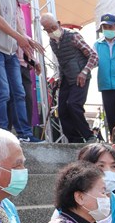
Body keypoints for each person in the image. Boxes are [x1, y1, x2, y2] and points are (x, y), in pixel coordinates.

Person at [0, 0, 43, 142]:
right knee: (2, 92)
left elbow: (13, 21)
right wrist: (19, 38)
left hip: (10, 50)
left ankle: (25, 134)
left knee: (19, 92)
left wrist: (25, 38)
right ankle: (1, 135)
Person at [41, 13, 98, 143]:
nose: (51, 31)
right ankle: (75, 140)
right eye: (48, 30)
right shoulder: (52, 42)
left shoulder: (73, 36)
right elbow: (62, 63)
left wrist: (84, 72)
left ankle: (90, 136)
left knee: (73, 104)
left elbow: (94, 56)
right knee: (62, 110)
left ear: (59, 24)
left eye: (53, 27)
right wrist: (59, 80)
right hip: (66, 77)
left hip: (80, 75)